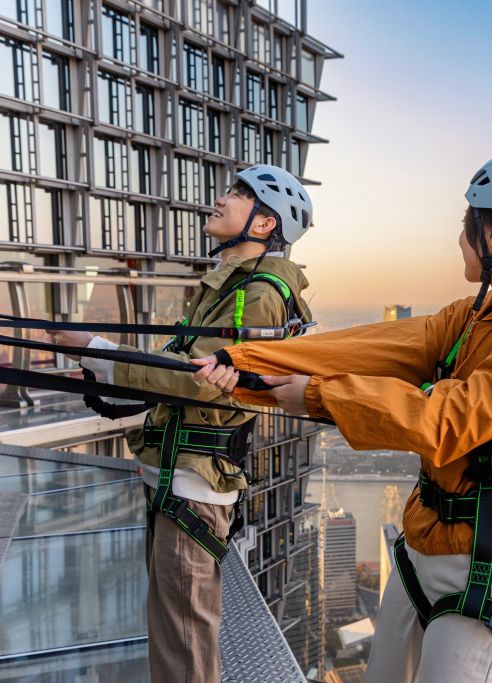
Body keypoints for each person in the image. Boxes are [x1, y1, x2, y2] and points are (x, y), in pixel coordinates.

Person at [192, 149, 492, 682]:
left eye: (465, 224)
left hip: (487, 563)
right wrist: (240, 360)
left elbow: (453, 418)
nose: (458, 238)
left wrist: (319, 397)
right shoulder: (475, 314)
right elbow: (370, 347)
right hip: (423, 542)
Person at [50, 164, 314, 683]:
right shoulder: (232, 287)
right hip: (182, 475)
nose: (220, 199)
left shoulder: (256, 294)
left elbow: (198, 379)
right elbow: (187, 367)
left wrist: (99, 352)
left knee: (184, 640)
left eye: (238, 194)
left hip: (192, 482)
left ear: (263, 225)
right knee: (176, 631)